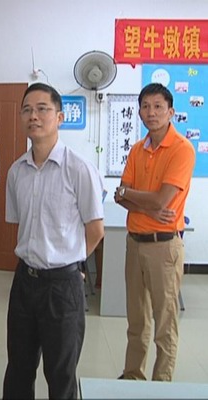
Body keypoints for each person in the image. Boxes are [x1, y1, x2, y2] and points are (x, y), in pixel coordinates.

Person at [3, 83, 104, 399]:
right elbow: (21, 224)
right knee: (18, 369)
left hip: (62, 287)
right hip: (24, 281)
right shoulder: (17, 171)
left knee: (61, 374)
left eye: (42, 109)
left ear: (60, 117)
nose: (33, 116)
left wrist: (74, 263)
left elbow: (95, 229)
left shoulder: (79, 169)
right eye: (27, 110)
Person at [114, 83, 195, 382]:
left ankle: (162, 385)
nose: (151, 112)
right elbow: (119, 195)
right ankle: (132, 377)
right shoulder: (137, 149)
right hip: (134, 243)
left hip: (164, 247)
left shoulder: (182, 149)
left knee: (164, 323)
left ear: (171, 112)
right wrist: (145, 208)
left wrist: (130, 195)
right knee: (136, 320)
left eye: (158, 106)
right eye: (145, 106)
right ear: (139, 112)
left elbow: (162, 199)